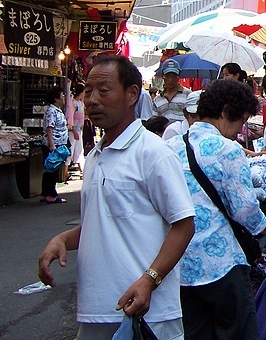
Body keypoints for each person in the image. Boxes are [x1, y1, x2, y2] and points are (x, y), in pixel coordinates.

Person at [37, 55, 196, 339]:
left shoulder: (153, 153)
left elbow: (183, 225)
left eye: (104, 90)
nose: (93, 99)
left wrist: (150, 280)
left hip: (148, 313)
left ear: (132, 94)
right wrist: (62, 240)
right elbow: (103, 223)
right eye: (88, 91)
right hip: (96, 308)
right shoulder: (96, 156)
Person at [165, 79, 266, 339]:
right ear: (225, 111)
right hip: (221, 264)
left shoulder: (170, 148)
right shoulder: (227, 150)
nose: (239, 129)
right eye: (241, 120)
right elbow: (244, 209)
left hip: (178, 265)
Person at [41, 86, 69, 204]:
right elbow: (49, 128)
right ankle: (51, 194)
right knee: (52, 170)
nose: (63, 98)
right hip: (54, 145)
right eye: (62, 96)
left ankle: (46, 193)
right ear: (56, 98)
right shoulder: (52, 111)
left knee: (51, 169)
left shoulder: (57, 110)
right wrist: (52, 145)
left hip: (58, 143)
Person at [154, 59, 190, 124]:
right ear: (163, 76)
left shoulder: (188, 95)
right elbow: (154, 120)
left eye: (173, 76)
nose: (170, 79)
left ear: (178, 76)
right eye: (168, 76)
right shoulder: (158, 99)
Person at [68, 84, 87, 175]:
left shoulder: (80, 103)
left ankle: (82, 170)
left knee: (79, 149)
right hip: (73, 130)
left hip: (79, 130)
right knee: (71, 150)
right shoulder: (73, 103)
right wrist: (74, 131)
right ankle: (64, 174)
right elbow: (70, 118)